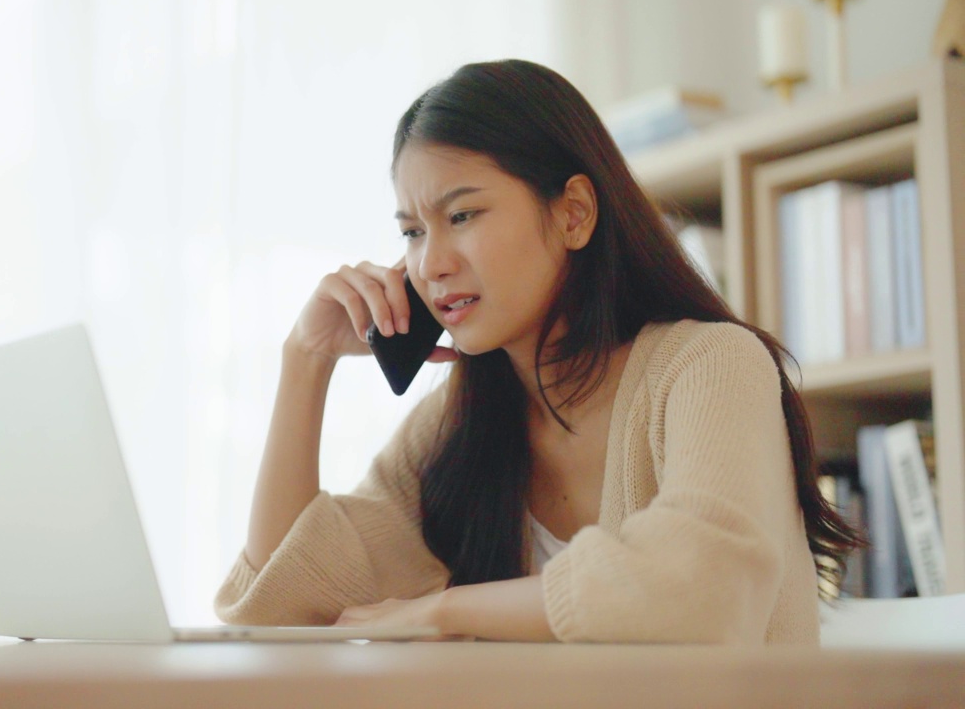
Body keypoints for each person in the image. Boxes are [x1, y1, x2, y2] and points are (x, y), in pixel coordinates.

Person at [214, 59, 862, 644]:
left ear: (574, 213)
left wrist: (446, 611)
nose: (430, 263)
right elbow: (284, 603)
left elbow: (703, 586)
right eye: (412, 231)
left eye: (462, 216)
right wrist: (306, 360)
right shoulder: (452, 426)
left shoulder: (711, 366)